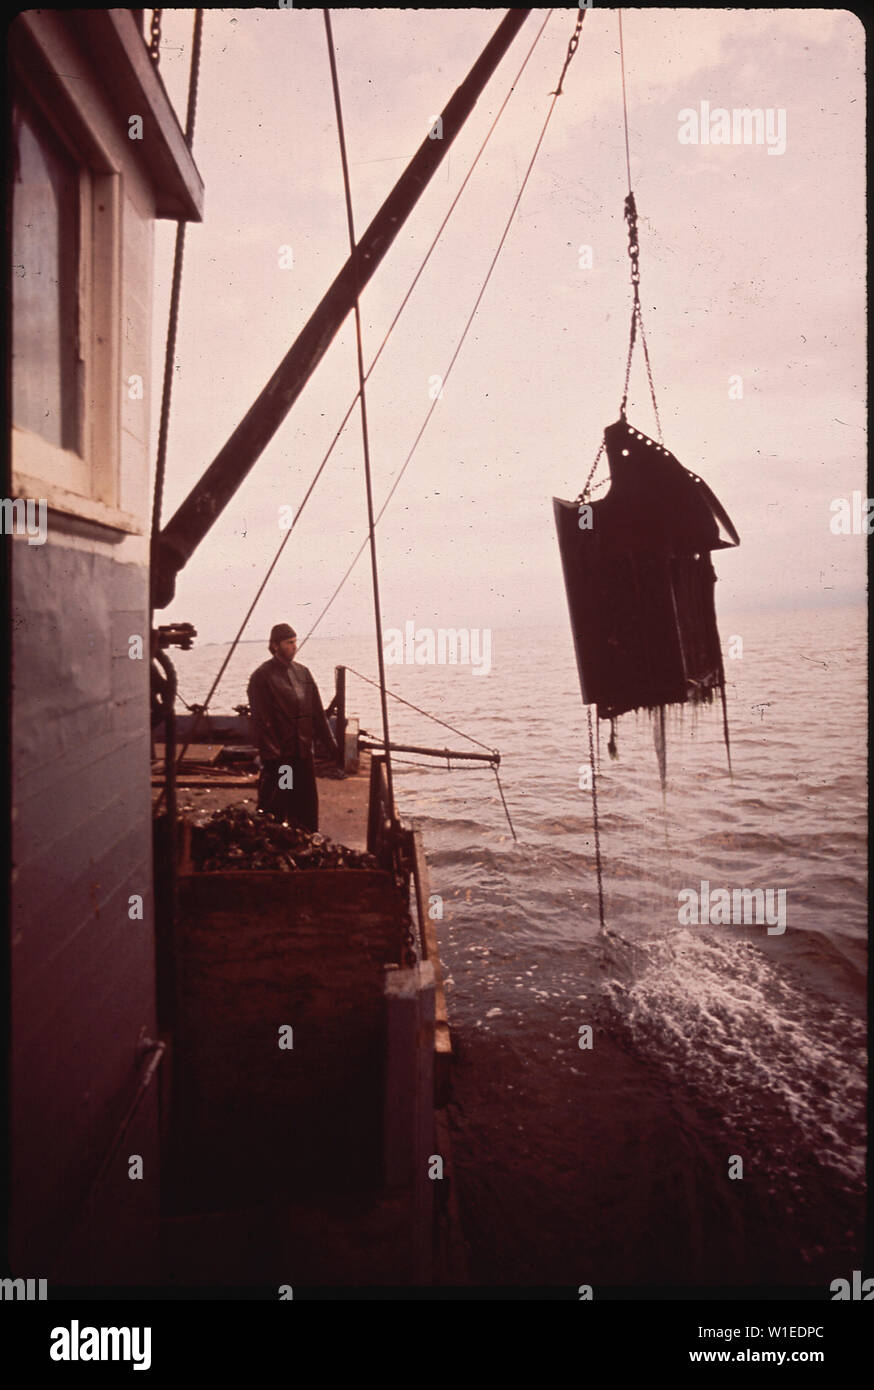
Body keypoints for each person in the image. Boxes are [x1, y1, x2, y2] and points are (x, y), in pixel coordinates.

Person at [247, 623, 339, 831]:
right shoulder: (262, 676)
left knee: (307, 802)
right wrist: (272, 755)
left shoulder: (303, 673)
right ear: (275, 645)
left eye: (295, 641)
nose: (294, 646)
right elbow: (260, 721)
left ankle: (307, 838)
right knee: (281, 798)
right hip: (283, 757)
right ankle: (275, 840)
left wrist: (332, 746)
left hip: (303, 753)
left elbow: (317, 714)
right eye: (289, 643)